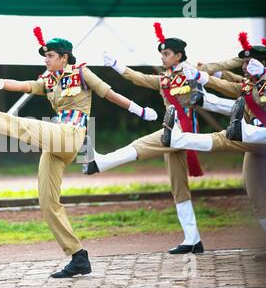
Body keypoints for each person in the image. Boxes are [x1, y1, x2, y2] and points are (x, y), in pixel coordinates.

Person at [0, 27, 158, 278]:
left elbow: (109, 93)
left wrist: (139, 111)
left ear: (64, 57)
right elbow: (23, 86)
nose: (46, 59)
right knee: (47, 202)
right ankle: (78, 257)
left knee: (19, 124)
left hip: (72, 134)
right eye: (46, 55)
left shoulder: (82, 72)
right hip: (57, 142)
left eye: (50, 55)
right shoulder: (49, 80)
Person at [82, 22, 228, 254]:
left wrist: (208, 74)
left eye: (166, 53)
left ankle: (99, 163)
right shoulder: (164, 79)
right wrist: (116, 65)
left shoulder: (192, 73)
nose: (162, 57)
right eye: (161, 53)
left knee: (142, 144)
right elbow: (138, 78)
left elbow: (220, 81)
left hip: (183, 131)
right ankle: (193, 240)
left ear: (178, 55)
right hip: (174, 133)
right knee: (178, 187)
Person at [161, 33, 266, 260]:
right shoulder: (248, 85)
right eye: (245, 63)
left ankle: (179, 138)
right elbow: (228, 84)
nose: (246, 66)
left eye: (251, 62)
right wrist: (204, 75)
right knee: (255, 192)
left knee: (225, 138)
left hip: (258, 138)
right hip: (256, 145)